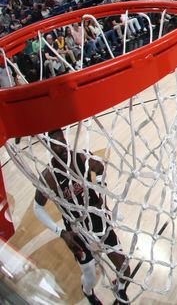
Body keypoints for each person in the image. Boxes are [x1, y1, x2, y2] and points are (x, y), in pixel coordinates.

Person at [33, 129, 131, 305]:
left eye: (63, 142)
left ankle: (120, 289)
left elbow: (100, 168)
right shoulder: (49, 177)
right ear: (49, 147)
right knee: (90, 274)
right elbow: (37, 208)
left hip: (98, 220)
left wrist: (101, 191)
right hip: (76, 230)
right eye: (56, 144)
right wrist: (62, 233)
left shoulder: (82, 158)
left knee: (125, 268)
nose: (63, 148)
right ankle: (88, 293)